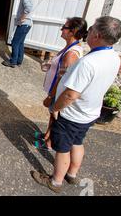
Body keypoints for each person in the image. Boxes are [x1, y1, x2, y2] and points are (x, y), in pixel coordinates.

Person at [31, 16, 121, 193]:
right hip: (90, 112)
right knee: (77, 142)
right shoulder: (113, 56)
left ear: (96, 35)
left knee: (63, 148)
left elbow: (71, 94)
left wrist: (55, 107)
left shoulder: (88, 62)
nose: (87, 32)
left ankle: (56, 181)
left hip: (73, 113)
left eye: (91, 30)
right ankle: (72, 174)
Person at [38, 17, 88, 150]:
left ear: (73, 31)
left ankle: (49, 143)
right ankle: (47, 135)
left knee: (56, 115)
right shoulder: (69, 47)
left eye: (64, 27)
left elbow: (63, 79)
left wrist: (50, 97)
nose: (61, 29)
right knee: (52, 114)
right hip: (55, 91)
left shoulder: (71, 54)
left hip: (58, 92)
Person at [2, 0, 33, 68]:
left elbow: (28, 8)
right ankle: (19, 60)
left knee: (15, 42)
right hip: (27, 24)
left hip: (24, 24)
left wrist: (23, 18)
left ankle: (13, 61)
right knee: (20, 43)